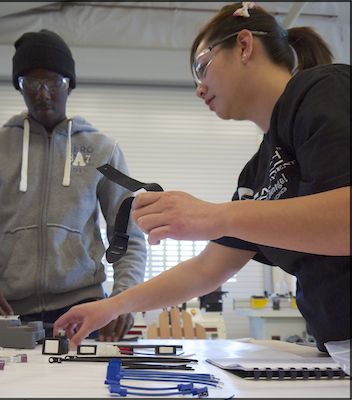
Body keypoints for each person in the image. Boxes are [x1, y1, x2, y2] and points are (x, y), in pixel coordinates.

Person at [53, 2, 350, 352]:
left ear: (244, 45)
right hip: (335, 348)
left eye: (202, 66)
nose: (199, 88)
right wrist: (111, 306)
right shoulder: (257, 173)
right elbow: (207, 268)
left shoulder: (322, 90)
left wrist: (213, 215)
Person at [0, 29, 147, 340]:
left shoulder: (102, 149)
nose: (42, 93)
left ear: (69, 84)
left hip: (83, 310)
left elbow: (128, 238)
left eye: (53, 82)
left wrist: (124, 300)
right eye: (30, 82)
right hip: (7, 312)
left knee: (79, 390)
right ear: (19, 86)